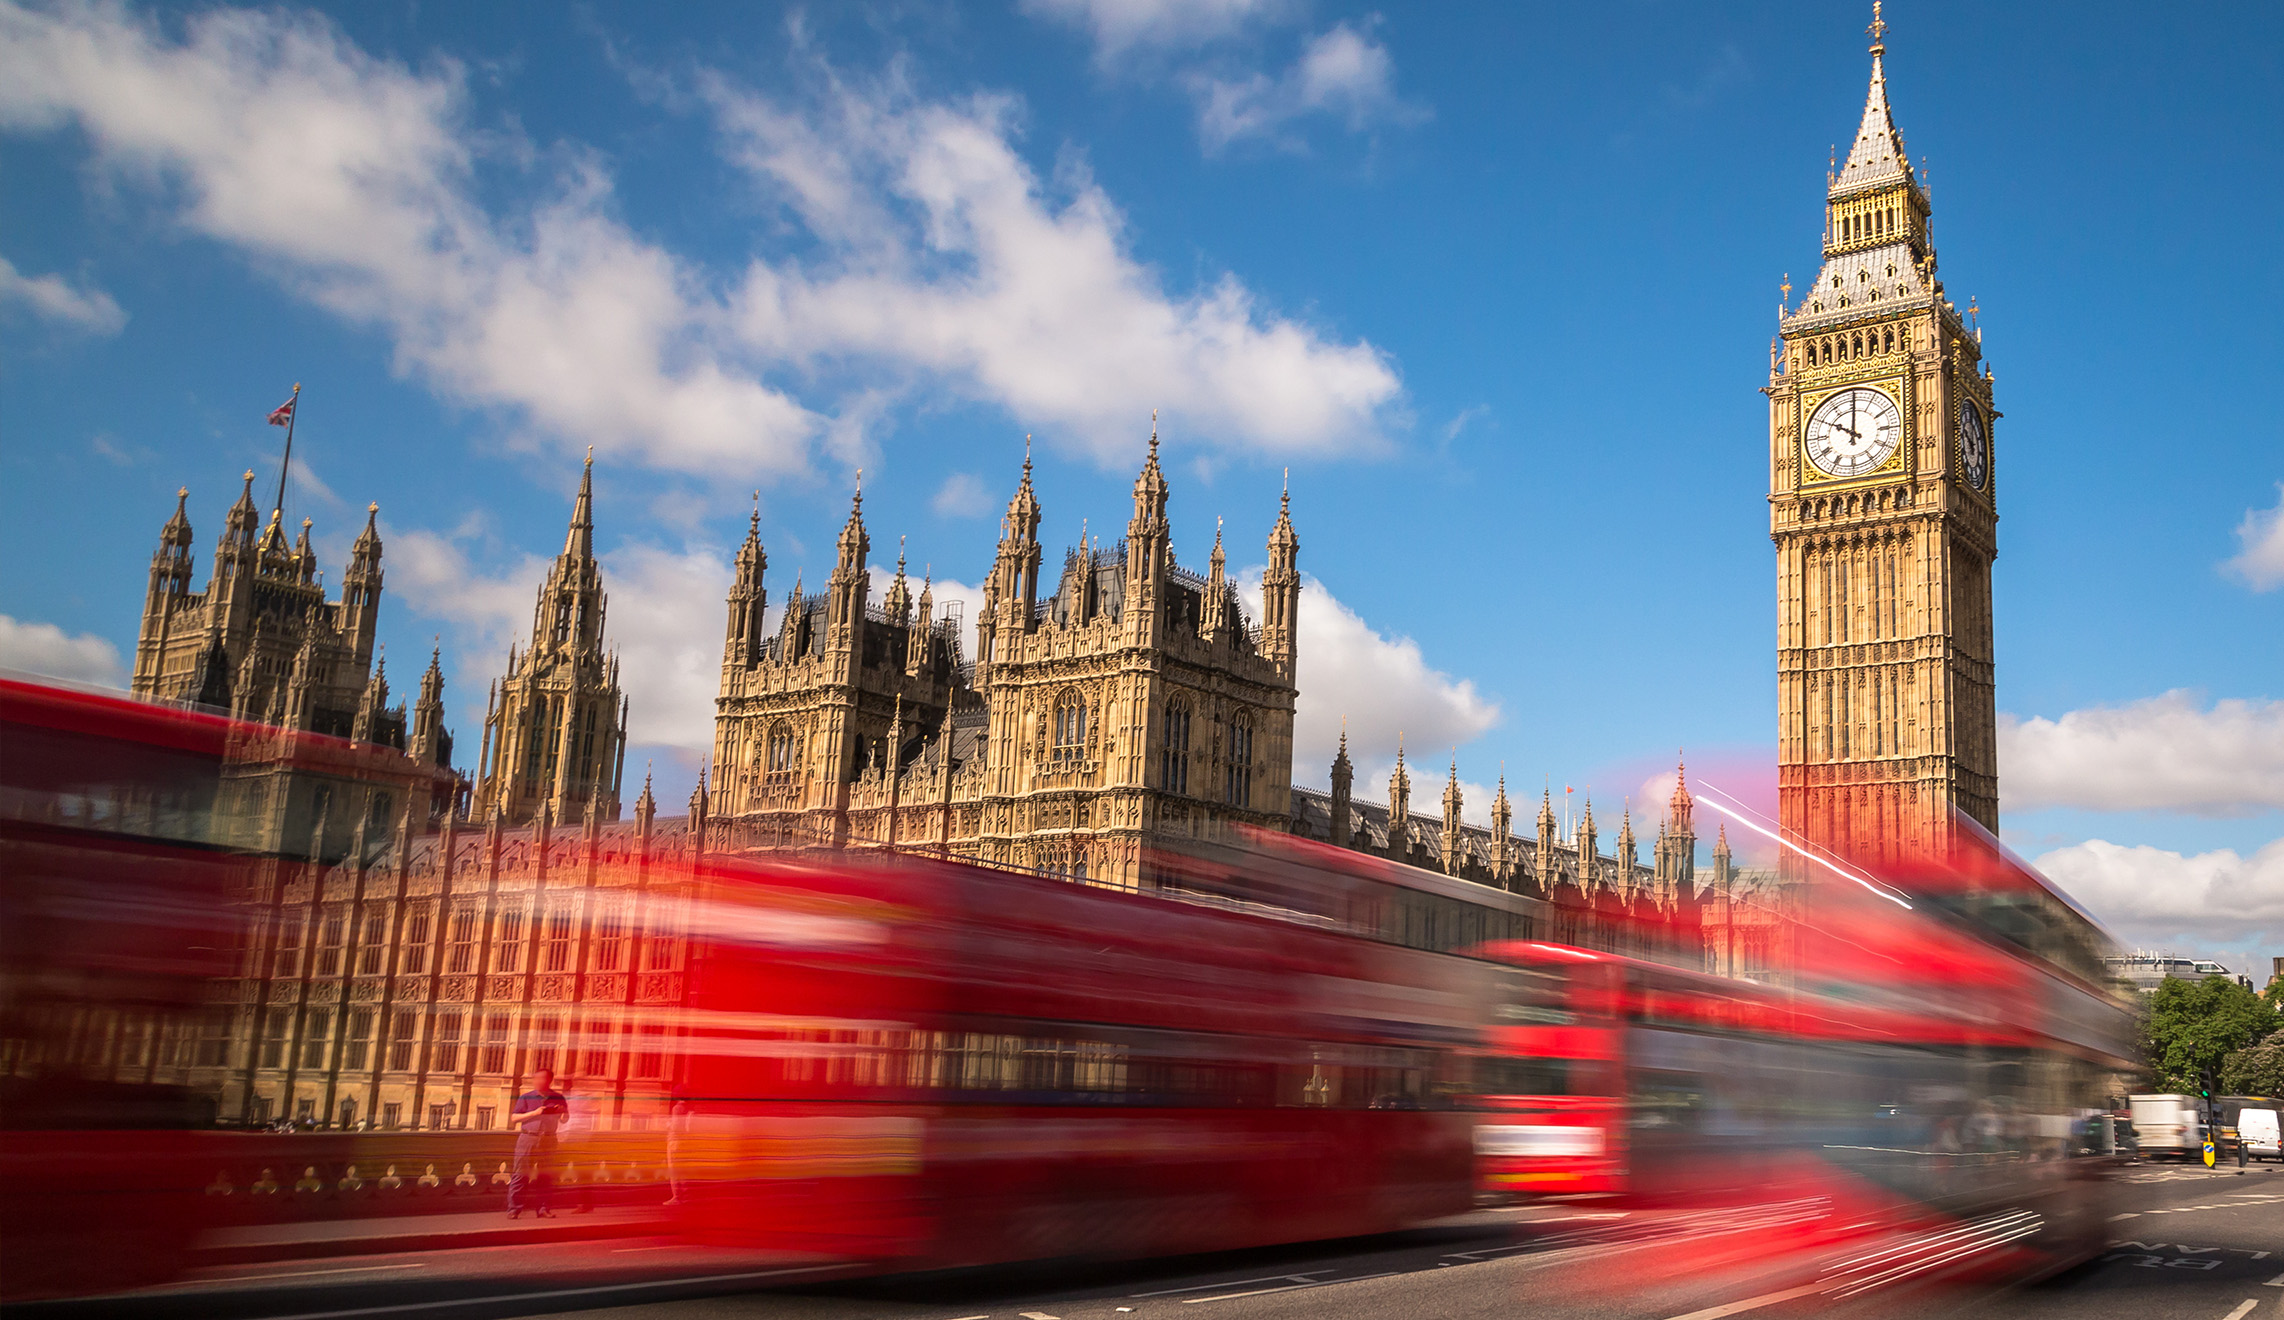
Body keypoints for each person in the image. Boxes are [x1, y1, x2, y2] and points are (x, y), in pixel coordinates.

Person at [507, 1067, 569, 1219]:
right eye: (536, 1078)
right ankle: (514, 1209)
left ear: (549, 1080)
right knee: (521, 1174)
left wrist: (563, 1112)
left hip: (548, 1139)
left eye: (542, 1078)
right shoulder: (526, 1097)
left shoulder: (558, 1097)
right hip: (528, 1138)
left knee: (545, 1176)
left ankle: (543, 1209)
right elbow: (514, 1118)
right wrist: (535, 1113)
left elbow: (564, 1120)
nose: (538, 1081)